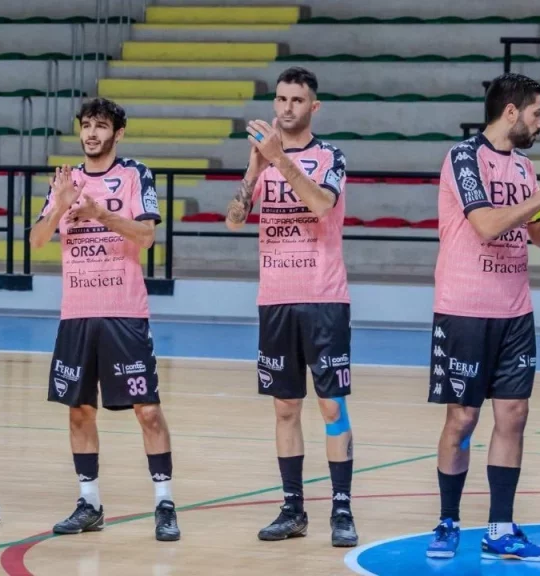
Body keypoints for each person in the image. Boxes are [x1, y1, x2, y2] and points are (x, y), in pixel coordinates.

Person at [424, 72, 540, 561]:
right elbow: (486, 224)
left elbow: (538, 236)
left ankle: (500, 528)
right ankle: (448, 519)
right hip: (464, 309)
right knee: (463, 418)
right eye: (538, 112)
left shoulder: (522, 167)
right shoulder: (463, 158)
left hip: (515, 310)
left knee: (514, 415)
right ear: (511, 111)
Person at [30, 97, 180, 542]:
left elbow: (147, 235)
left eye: (101, 126)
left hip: (123, 311)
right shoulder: (66, 179)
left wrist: (101, 214)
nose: (92, 133)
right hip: (77, 313)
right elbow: (36, 240)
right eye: (86, 125)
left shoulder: (135, 174)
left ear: (118, 133)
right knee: (79, 411)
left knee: (147, 410)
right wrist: (58, 206)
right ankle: (89, 503)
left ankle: (164, 503)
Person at [224, 67, 355, 548]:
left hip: (323, 298)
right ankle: (293, 508)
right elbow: (234, 219)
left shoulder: (330, 156)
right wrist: (255, 168)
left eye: (296, 100)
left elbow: (321, 205)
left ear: (313, 107)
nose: (286, 108)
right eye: (281, 99)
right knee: (285, 408)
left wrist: (280, 160)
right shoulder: (264, 158)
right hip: (275, 298)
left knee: (331, 404)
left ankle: (341, 508)